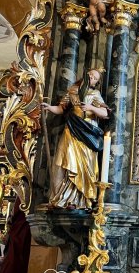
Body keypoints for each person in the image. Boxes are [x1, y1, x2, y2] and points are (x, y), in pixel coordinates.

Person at [41, 69, 110, 209]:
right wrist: (49, 108)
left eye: (95, 78)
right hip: (71, 130)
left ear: (96, 82)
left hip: (87, 132)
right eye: (90, 74)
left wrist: (91, 107)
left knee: (84, 165)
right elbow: (61, 109)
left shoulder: (95, 94)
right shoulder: (72, 91)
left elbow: (105, 113)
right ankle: (63, 198)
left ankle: (81, 200)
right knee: (66, 159)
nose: (91, 77)